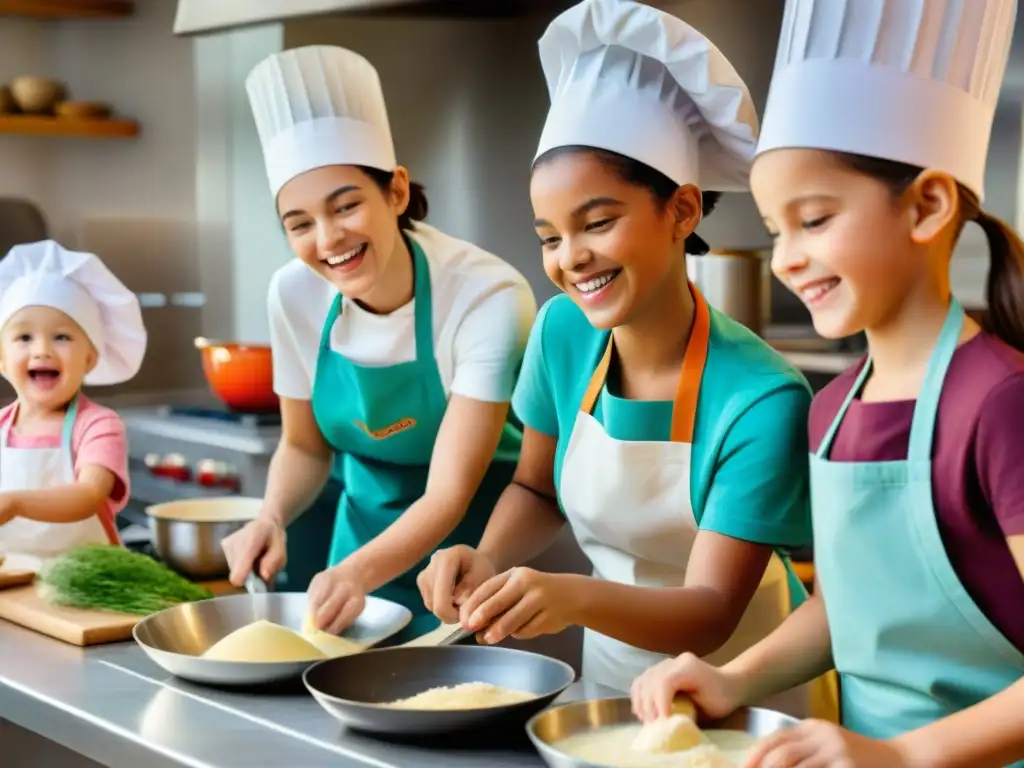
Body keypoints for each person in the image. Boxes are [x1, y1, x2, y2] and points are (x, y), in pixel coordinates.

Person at [631, 0, 1024, 765]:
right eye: (777, 232)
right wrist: (730, 679)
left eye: (814, 221)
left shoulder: (1001, 404)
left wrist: (905, 757)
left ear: (928, 206)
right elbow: (846, 608)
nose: (785, 260)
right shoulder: (834, 410)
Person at [416, 0, 834, 717]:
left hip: (752, 699)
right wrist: (487, 559)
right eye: (549, 235)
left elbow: (707, 613)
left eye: (598, 222)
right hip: (611, 683)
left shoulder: (762, 397)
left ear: (682, 210)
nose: (570, 259)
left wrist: (570, 595)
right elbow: (537, 489)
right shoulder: (560, 334)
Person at [221, 45, 537, 640]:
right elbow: (305, 446)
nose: (328, 239)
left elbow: (447, 493)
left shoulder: (486, 295)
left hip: (474, 557)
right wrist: (272, 515)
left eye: (346, 207)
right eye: (300, 223)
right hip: (361, 541)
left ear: (394, 191)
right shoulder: (293, 294)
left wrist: (353, 573)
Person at [0, 240, 145, 559]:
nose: (42, 350)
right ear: (1, 360)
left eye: (61, 337)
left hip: (86, 585)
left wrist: (15, 503)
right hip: (12, 584)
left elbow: (89, 494)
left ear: (90, 359)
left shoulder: (98, 425)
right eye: (24, 337)